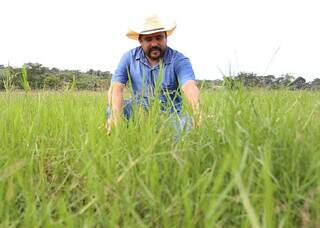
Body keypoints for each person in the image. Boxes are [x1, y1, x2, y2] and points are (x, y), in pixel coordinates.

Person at [106, 15, 200, 133]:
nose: (154, 44)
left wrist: (198, 112)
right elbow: (116, 87)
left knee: (186, 125)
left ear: (166, 38)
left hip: (170, 116)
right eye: (148, 39)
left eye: (159, 38)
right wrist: (115, 116)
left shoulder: (179, 60)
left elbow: (189, 85)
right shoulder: (129, 57)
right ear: (140, 40)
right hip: (140, 113)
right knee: (113, 110)